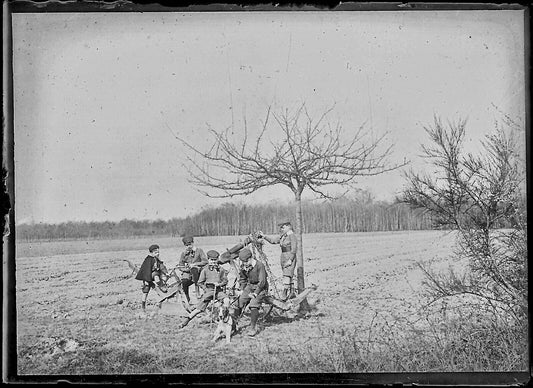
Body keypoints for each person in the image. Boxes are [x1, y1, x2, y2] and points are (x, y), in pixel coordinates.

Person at [178, 250, 230, 328]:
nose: (213, 262)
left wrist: (219, 284)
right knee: (199, 309)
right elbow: (200, 282)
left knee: (227, 300)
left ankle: (225, 320)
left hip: (218, 291)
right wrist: (205, 289)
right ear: (208, 260)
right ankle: (185, 321)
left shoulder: (221, 269)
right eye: (211, 260)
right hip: (208, 291)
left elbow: (225, 280)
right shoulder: (205, 270)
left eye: (215, 260)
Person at [232, 247, 269, 337]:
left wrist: (255, 293)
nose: (244, 264)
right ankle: (234, 325)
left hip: (261, 288)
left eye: (245, 262)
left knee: (253, 304)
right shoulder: (244, 266)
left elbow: (262, 282)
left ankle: (252, 328)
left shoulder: (259, 265)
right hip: (250, 286)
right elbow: (243, 279)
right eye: (243, 262)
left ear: (250, 259)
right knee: (239, 302)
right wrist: (241, 289)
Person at [259, 221, 297, 300]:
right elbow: (273, 241)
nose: (281, 229)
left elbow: (294, 249)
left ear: (288, 226)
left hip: (289, 256)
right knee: (288, 274)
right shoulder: (283, 236)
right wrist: (264, 236)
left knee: (287, 275)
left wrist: (290, 259)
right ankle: (292, 292)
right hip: (283, 256)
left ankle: (285, 292)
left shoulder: (292, 236)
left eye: (283, 227)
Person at [135, 244, 168, 311]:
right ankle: (143, 306)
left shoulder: (157, 259)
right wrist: (146, 280)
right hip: (147, 277)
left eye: (158, 252)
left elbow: (162, 266)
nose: (157, 254)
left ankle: (162, 286)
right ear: (151, 253)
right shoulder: (148, 260)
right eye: (156, 252)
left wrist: (166, 272)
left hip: (154, 274)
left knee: (156, 276)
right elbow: (146, 270)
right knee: (145, 292)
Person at [178, 236, 208, 303]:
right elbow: (180, 265)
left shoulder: (199, 251)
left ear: (193, 243)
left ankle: (197, 291)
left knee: (194, 269)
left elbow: (205, 261)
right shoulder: (184, 254)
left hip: (198, 269)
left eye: (190, 244)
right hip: (188, 271)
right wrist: (185, 269)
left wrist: (195, 264)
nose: (189, 246)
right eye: (187, 245)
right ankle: (187, 298)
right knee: (184, 281)